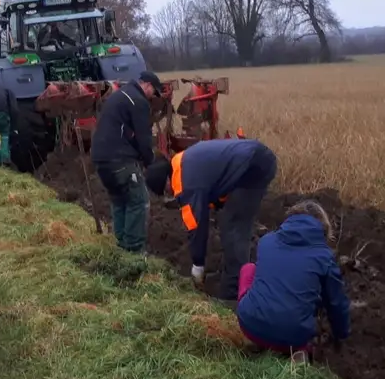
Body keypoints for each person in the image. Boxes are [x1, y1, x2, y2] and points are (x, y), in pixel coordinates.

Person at [146, 136, 278, 304]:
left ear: (166, 181)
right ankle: (232, 271)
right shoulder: (184, 162)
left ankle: (233, 291)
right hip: (253, 159)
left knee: (233, 226)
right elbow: (216, 181)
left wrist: (198, 266)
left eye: (166, 191)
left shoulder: (187, 183)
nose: (171, 193)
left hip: (252, 167)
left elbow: (196, 226)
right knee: (230, 221)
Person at [234, 200, 351, 364]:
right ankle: (299, 352)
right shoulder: (324, 257)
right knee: (312, 295)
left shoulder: (267, 241)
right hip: (292, 338)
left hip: (250, 325)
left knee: (249, 269)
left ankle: (257, 337)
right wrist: (341, 334)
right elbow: (336, 302)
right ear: (322, 229)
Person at [89, 70, 163, 253]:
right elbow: (144, 138)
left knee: (120, 201)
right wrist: (150, 161)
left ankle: (120, 247)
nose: (153, 96)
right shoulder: (138, 101)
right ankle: (134, 250)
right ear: (146, 85)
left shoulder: (119, 95)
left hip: (101, 159)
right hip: (119, 159)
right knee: (139, 201)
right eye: (154, 91)